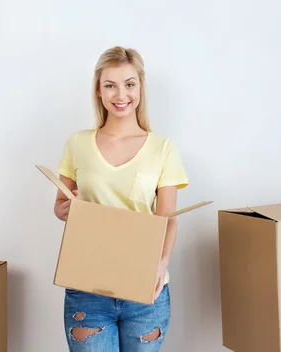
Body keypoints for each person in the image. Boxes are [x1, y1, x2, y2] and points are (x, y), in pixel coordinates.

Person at [53, 46, 189, 351]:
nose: (120, 94)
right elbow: (60, 207)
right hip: (88, 286)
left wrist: (161, 263)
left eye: (129, 84)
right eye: (110, 85)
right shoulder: (77, 144)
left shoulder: (163, 149)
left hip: (145, 289)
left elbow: (167, 218)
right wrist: (65, 210)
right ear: (99, 91)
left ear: (140, 88)